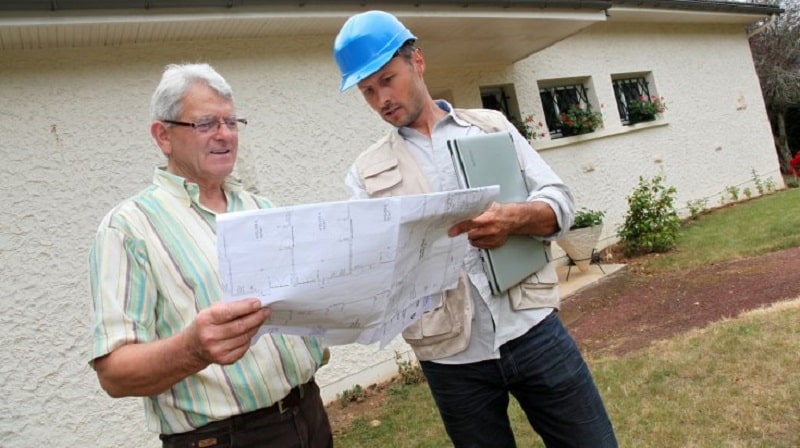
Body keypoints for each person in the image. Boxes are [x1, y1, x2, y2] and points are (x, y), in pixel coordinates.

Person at [333, 11, 617, 448]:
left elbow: (561, 203)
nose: (381, 99)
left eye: (387, 80)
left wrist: (514, 219)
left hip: (533, 329)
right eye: (368, 91)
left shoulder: (492, 126)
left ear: (418, 62)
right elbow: (372, 269)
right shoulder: (364, 175)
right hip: (451, 359)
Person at [88, 63, 332, 448]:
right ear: (163, 136)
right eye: (206, 124)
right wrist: (192, 350)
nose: (225, 135)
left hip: (309, 412)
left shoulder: (261, 208)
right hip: (224, 439)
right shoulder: (128, 228)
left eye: (232, 122)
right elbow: (114, 374)